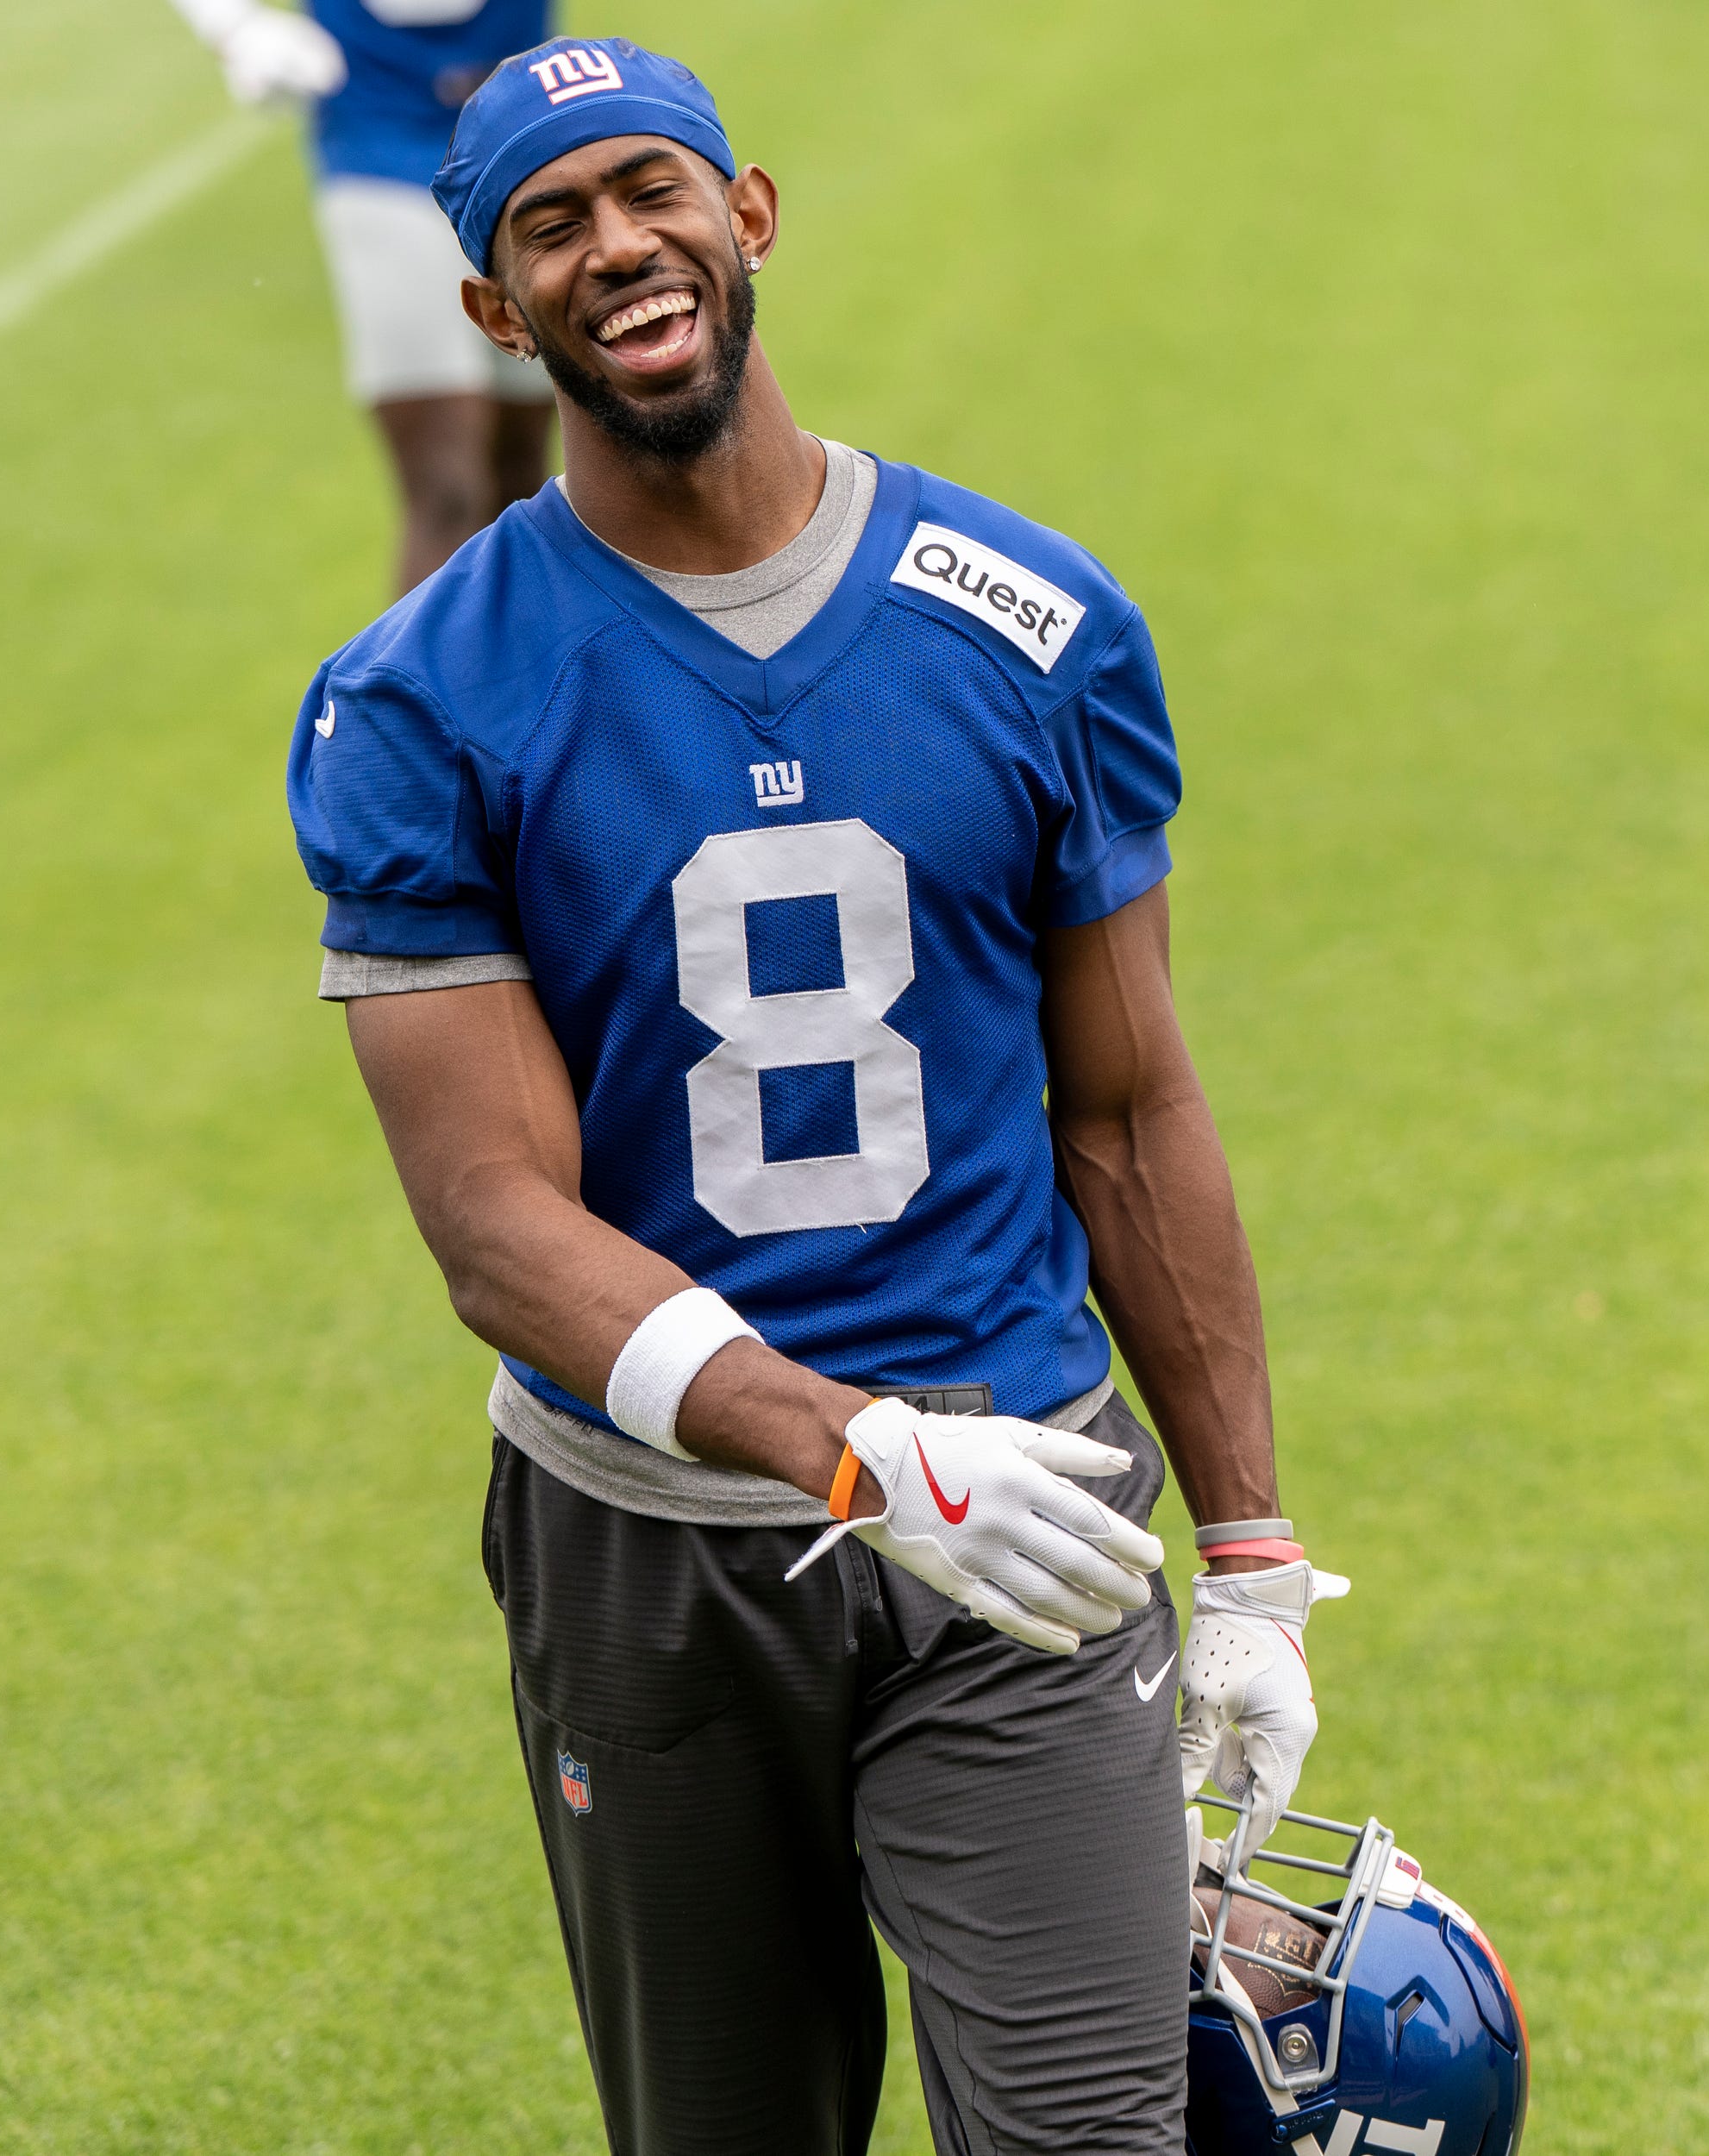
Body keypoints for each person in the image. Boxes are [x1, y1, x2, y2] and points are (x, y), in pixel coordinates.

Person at [284, 40, 1343, 2151]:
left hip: (1026, 1516)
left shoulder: (1029, 621)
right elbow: (496, 1222)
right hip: (655, 1545)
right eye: (550, 227)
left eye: (649, 191)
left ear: (747, 211)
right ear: (495, 309)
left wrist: (1245, 1544)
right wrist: (852, 1450)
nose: (616, 248)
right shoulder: (420, 698)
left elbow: (1127, 1110)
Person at [168, 0, 556, 592]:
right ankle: (420, 658)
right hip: (379, 132)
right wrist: (233, 26)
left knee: (522, 477)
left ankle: (543, 652)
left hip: (515, 134)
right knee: (447, 488)